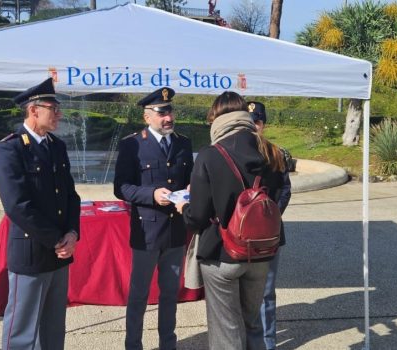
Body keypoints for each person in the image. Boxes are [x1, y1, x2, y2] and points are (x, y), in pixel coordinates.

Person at [175, 91, 285, 350]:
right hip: (261, 252)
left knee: (227, 332)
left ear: (217, 118)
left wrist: (184, 207)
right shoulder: (271, 151)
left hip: (223, 253)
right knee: (252, 325)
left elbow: (198, 216)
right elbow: (278, 199)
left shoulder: (210, 155)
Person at [0, 77, 80, 350]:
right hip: (32, 252)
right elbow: (17, 205)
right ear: (34, 110)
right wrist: (57, 239)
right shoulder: (11, 148)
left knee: (54, 329)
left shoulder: (57, 146)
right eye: (53, 109)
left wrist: (72, 233)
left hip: (60, 252)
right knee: (21, 330)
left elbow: (70, 196)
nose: (59, 114)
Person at [113, 87, 194, 350]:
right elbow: (121, 187)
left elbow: (190, 179)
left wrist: (193, 189)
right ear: (147, 116)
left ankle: (167, 344)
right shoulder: (132, 144)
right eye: (161, 113)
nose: (168, 117)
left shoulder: (183, 143)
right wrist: (150, 194)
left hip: (175, 231)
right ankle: (133, 345)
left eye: (170, 111)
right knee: (139, 295)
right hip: (147, 232)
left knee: (170, 294)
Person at [246, 101, 292, 350]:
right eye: (249, 121)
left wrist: (272, 215)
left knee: (266, 293)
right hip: (240, 235)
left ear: (263, 124)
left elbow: (285, 188)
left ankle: (268, 342)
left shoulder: (276, 153)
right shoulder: (234, 151)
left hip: (270, 235)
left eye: (257, 122)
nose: (254, 126)